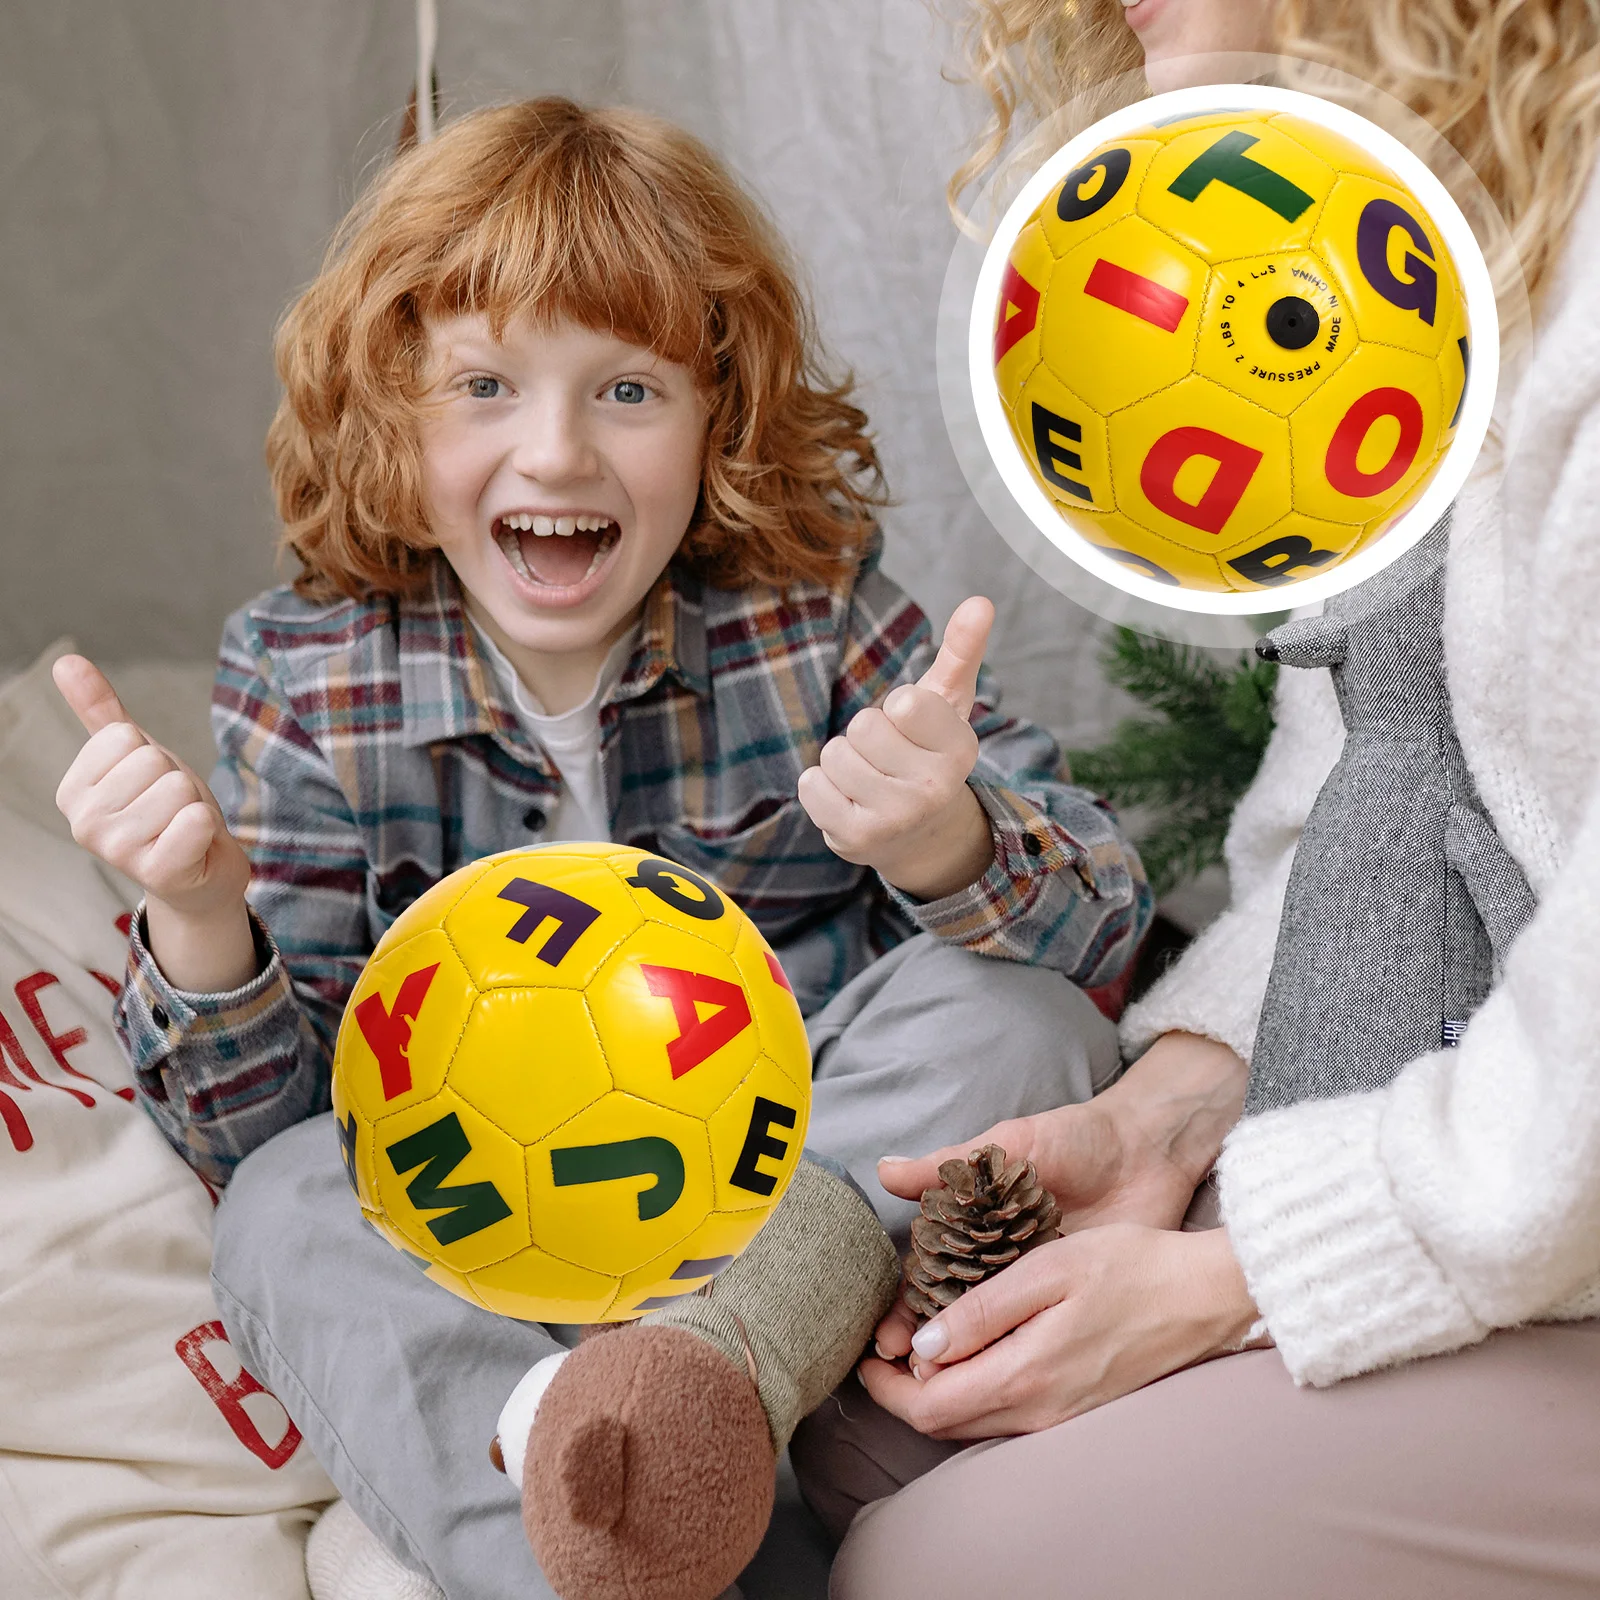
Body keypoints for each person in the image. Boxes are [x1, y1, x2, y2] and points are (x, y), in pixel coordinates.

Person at [50, 99, 1151, 1598]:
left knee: (1011, 1014)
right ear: (391, 413)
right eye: (486, 386)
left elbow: (1101, 954)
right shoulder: (307, 676)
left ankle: (699, 1397)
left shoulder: (808, 615)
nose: (556, 453)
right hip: (498, 1291)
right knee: (284, 1207)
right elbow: (268, 1129)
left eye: (628, 389)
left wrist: (945, 836)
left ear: (722, 417)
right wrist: (196, 917)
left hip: (789, 1251)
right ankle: (602, 1533)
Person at [797, 2, 1600, 1595]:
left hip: (1554, 1195)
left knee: (943, 1565)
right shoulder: (1402, 260)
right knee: (854, 1433)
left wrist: (1241, 1281)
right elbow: (1352, 796)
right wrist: (1163, 1113)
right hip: (1482, 1148)